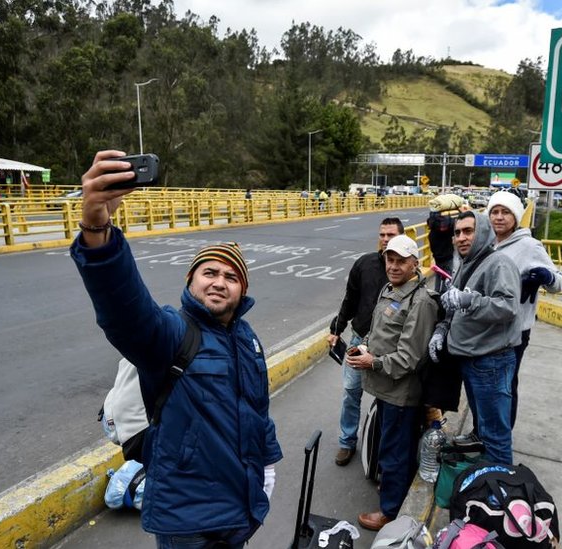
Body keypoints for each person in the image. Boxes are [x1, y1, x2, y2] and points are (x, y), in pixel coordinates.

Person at [71, 150, 281, 548]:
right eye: (210, 272)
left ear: (244, 290)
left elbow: (257, 412)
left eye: (231, 276)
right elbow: (124, 310)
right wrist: (97, 230)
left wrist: (267, 469)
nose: (220, 281)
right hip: (187, 522)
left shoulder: (249, 340)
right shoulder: (171, 331)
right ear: (191, 281)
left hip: (242, 510)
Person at [345, 235, 438, 531]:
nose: (394, 266)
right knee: (390, 446)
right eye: (390, 259)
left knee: (394, 452)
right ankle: (392, 492)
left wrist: (371, 362)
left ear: (415, 264)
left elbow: (410, 359)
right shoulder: (391, 289)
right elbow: (379, 332)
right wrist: (365, 347)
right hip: (384, 389)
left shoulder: (420, 301)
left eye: (401, 261)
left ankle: (391, 512)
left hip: (401, 393)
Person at [428, 212, 521, 465]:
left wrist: (471, 301)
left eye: (468, 231)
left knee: (496, 435)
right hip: (472, 360)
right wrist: (442, 329)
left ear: (481, 232)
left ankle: (501, 490)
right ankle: (487, 475)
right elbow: (454, 306)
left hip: (492, 361)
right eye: (457, 233)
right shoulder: (467, 264)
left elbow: (509, 307)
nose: (461, 238)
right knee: (484, 427)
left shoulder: (498, 263)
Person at [327, 217, 404, 466]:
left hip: (388, 347)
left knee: (386, 401)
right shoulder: (364, 264)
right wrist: (336, 329)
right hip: (358, 340)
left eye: (390, 234)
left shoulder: (405, 270)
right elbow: (349, 300)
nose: (385, 239)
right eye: (382, 234)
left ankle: (380, 450)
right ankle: (347, 442)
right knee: (351, 393)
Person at [485, 191, 562, 428]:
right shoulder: (485, 244)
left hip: (515, 331)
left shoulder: (530, 246)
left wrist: (546, 276)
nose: (499, 217)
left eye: (505, 212)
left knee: (506, 385)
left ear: (517, 216)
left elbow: (559, 283)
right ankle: (482, 432)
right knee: (485, 385)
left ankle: (501, 437)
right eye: (494, 212)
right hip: (485, 327)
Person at [426, 193, 467, 291]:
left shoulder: (434, 224)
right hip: (447, 255)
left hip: (437, 255)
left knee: (439, 275)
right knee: (448, 277)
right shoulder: (448, 226)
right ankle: (444, 296)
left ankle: (436, 294)